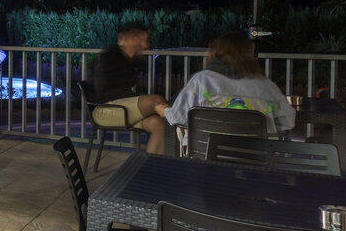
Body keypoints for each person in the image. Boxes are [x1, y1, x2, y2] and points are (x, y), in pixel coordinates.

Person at [157, 32, 295, 133]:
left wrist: (165, 111)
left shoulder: (203, 80)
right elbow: (288, 122)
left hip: (206, 159)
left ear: (215, 54)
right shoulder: (265, 85)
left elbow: (178, 117)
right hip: (256, 162)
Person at [89, 26, 167, 155]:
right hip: (103, 110)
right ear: (134, 39)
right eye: (144, 40)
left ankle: (153, 168)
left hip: (120, 108)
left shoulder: (129, 61)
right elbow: (102, 92)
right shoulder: (109, 57)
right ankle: (180, 120)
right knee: (156, 100)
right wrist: (138, 98)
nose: (146, 45)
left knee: (159, 124)